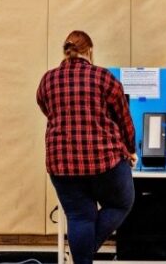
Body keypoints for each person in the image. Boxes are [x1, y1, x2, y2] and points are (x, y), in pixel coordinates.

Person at [37, 30, 137, 264]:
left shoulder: (48, 80)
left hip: (61, 163)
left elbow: (46, 109)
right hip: (103, 160)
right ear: (89, 51)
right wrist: (131, 149)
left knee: (79, 217)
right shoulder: (103, 77)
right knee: (121, 202)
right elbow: (124, 120)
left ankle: (82, 256)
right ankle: (84, 252)